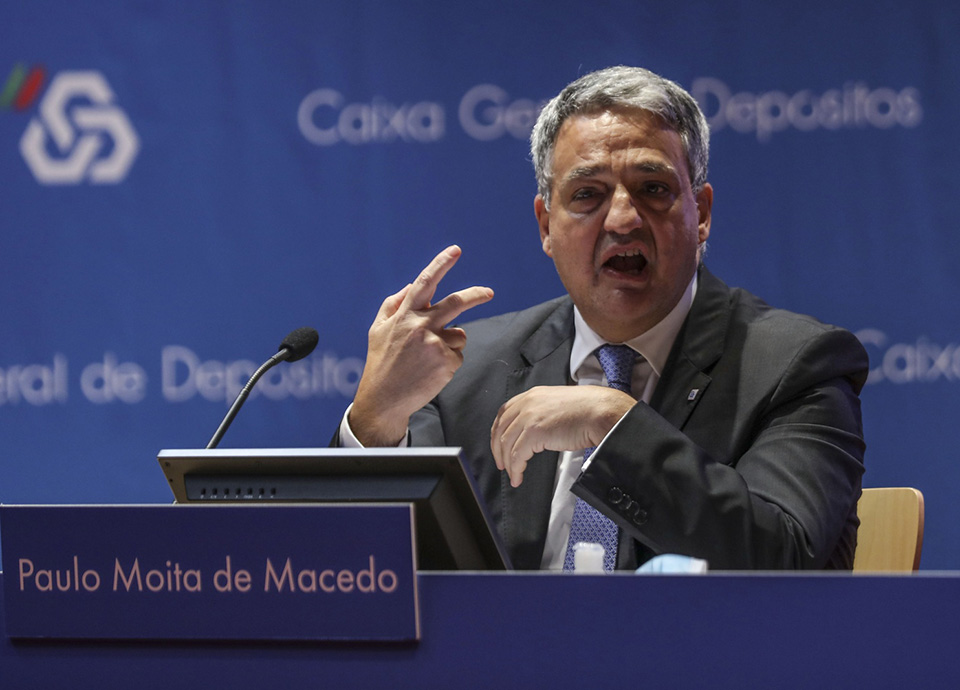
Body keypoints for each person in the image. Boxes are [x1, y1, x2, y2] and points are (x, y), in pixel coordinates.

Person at [338, 65, 868, 571]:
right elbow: (368, 568)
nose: (622, 218)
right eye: (587, 194)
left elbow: (784, 560)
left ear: (701, 214)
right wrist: (375, 423)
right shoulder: (466, 373)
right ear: (546, 225)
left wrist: (614, 422)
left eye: (653, 189)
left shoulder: (795, 367)